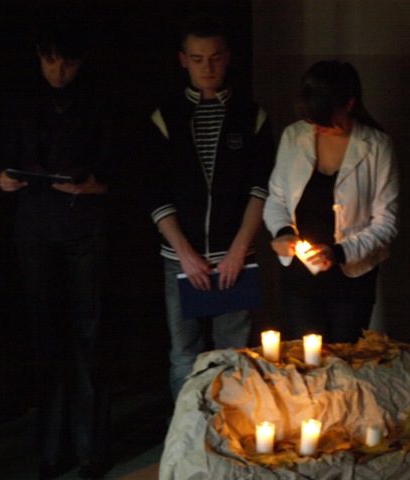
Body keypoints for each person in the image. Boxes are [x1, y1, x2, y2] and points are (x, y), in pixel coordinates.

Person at [0, 20, 112, 480]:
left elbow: (118, 166)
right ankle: (51, 449)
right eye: (50, 61)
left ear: (80, 62)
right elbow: (3, 161)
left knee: (89, 336)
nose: (58, 70)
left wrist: (94, 184)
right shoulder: (20, 99)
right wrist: (2, 179)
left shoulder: (97, 100)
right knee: (46, 338)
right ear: (39, 57)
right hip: (36, 229)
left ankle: (89, 450)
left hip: (85, 228)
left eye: (67, 63)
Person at [145, 15, 275, 402]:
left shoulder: (252, 116)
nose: (207, 67)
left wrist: (238, 250)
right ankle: (187, 430)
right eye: (198, 59)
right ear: (183, 60)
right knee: (184, 355)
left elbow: (261, 189)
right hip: (180, 259)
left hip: (235, 257)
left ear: (228, 57)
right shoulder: (166, 117)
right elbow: (156, 193)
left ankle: (229, 427)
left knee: (234, 355)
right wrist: (185, 254)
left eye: (215, 58)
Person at [263, 60, 399, 344]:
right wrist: (283, 232)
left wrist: (339, 252)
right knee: (306, 360)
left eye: (323, 119)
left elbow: (386, 223)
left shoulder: (376, 146)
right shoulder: (294, 136)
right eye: (311, 119)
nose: (316, 127)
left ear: (349, 104)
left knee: (345, 360)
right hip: (300, 280)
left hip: (352, 280)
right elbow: (276, 198)